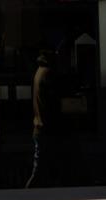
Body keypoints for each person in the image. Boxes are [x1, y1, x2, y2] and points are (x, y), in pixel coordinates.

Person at [26, 49, 62, 189]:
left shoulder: (39, 71)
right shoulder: (47, 73)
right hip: (44, 129)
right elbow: (52, 103)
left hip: (40, 127)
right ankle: (25, 199)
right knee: (39, 172)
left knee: (42, 171)